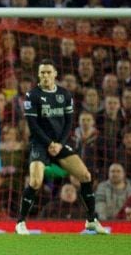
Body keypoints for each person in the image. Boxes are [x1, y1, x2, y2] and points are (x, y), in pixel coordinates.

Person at [16, 59, 107, 234]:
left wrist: (60, 144)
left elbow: (69, 123)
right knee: (35, 181)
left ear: (55, 74)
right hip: (40, 144)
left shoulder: (65, 95)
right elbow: (33, 125)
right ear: (38, 75)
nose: (45, 76)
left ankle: (91, 220)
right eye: (42, 72)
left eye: (49, 72)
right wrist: (50, 144)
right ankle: (20, 222)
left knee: (85, 175)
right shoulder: (32, 95)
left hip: (59, 145)